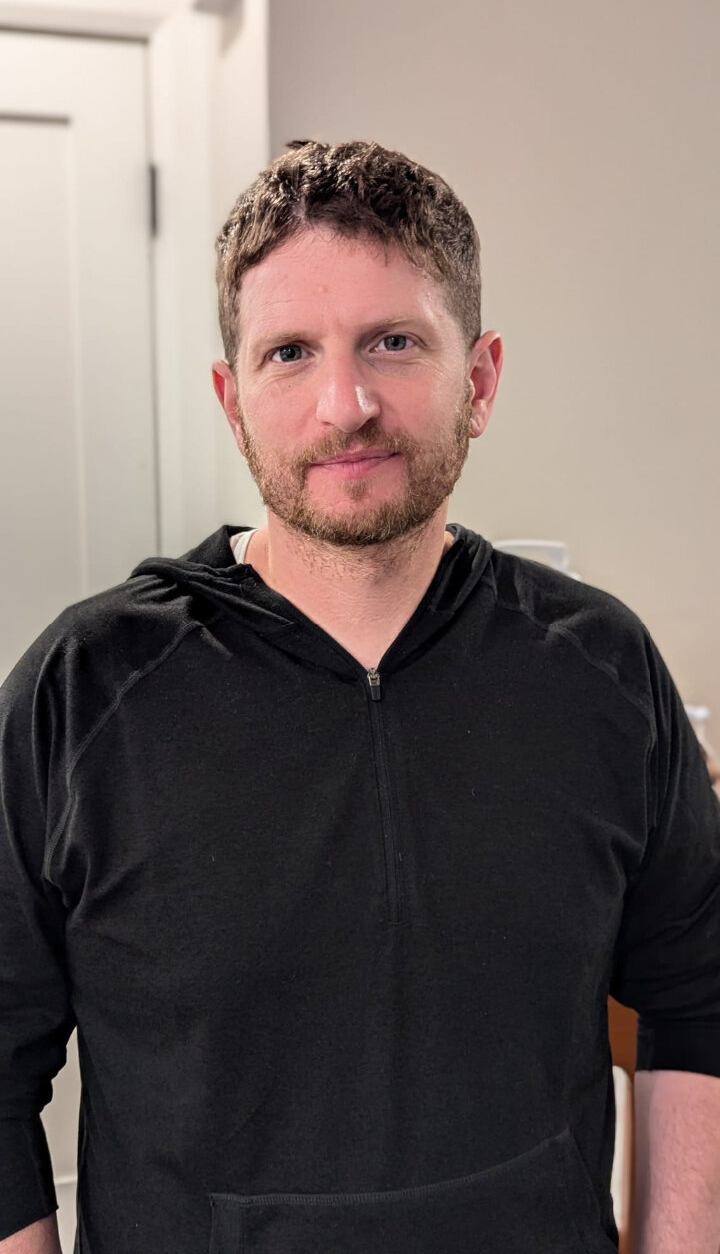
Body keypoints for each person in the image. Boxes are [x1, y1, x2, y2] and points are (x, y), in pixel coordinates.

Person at [1, 140, 719, 1254]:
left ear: (478, 378)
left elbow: (697, 992)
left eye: (393, 341)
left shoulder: (603, 671)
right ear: (231, 397)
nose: (346, 403)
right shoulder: (83, 692)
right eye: (290, 352)